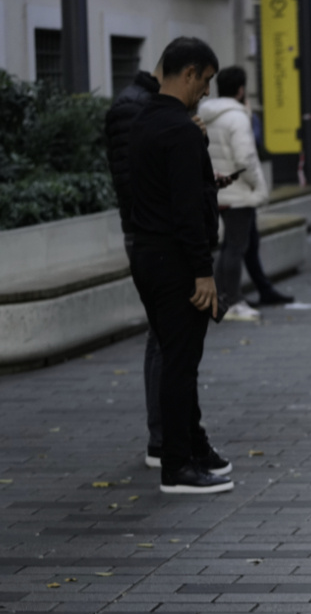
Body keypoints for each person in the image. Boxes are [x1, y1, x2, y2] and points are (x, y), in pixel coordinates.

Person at [127, 37, 233, 495]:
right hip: (176, 261)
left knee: (176, 355)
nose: (206, 91)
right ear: (188, 73)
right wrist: (203, 271)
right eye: (205, 81)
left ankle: (193, 445)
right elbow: (188, 209)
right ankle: (177, 465)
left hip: (147, 255)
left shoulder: (144, 120)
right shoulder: (181, 130)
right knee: (181, 361)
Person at [105, 66, 166, 469]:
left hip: (154, 231)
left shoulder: (146, 105)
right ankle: (162, 438)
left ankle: (167, 434)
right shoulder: (132, 108)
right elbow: (134, 181)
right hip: (150, 234)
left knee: (163, 333)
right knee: (163, 334)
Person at [200, 66, 292, 320]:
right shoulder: (237, 118)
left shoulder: (207, 115)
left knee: (236, 244)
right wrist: (259, 187)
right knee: (234, 248)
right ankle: (231, 300)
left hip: (218, 190)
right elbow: (246, 159)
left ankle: (228, 296)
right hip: (238, 192)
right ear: (241, 90)